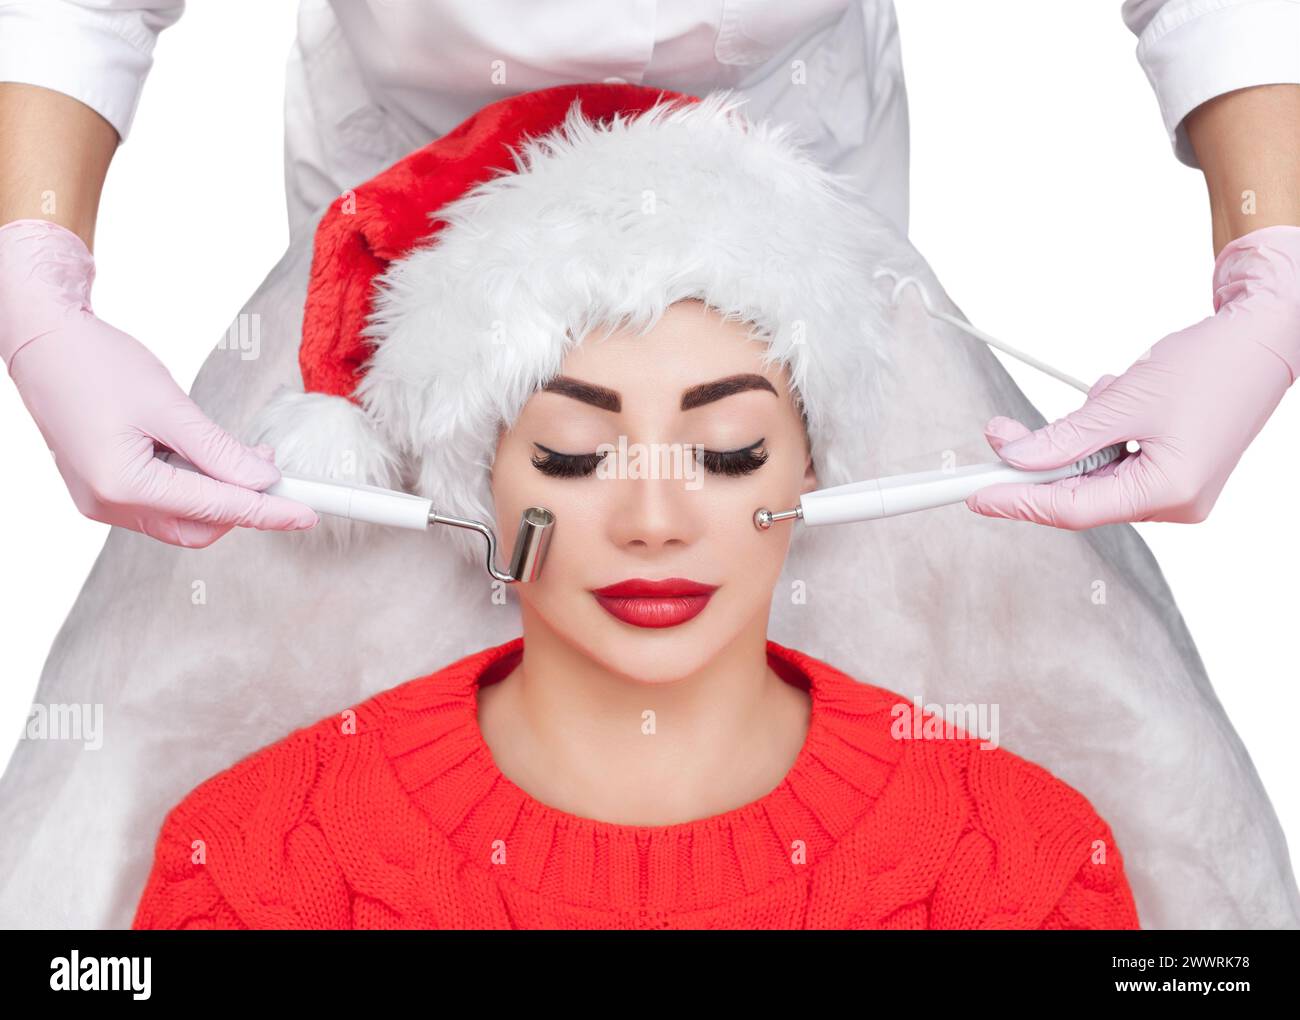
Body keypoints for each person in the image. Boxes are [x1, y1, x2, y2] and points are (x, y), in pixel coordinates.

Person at [131, 89, 1141, 927]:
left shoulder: (1025, 868)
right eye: (573, 457)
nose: (652, 521)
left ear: (811, 473)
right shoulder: (255, 865)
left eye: (728, 451)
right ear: (478, 482)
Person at [0, 1, 1297, 545]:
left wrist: (1274, 264)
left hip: (791, 163)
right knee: (432, 612)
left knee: (765, 606)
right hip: (413, 195)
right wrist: (33, 272)